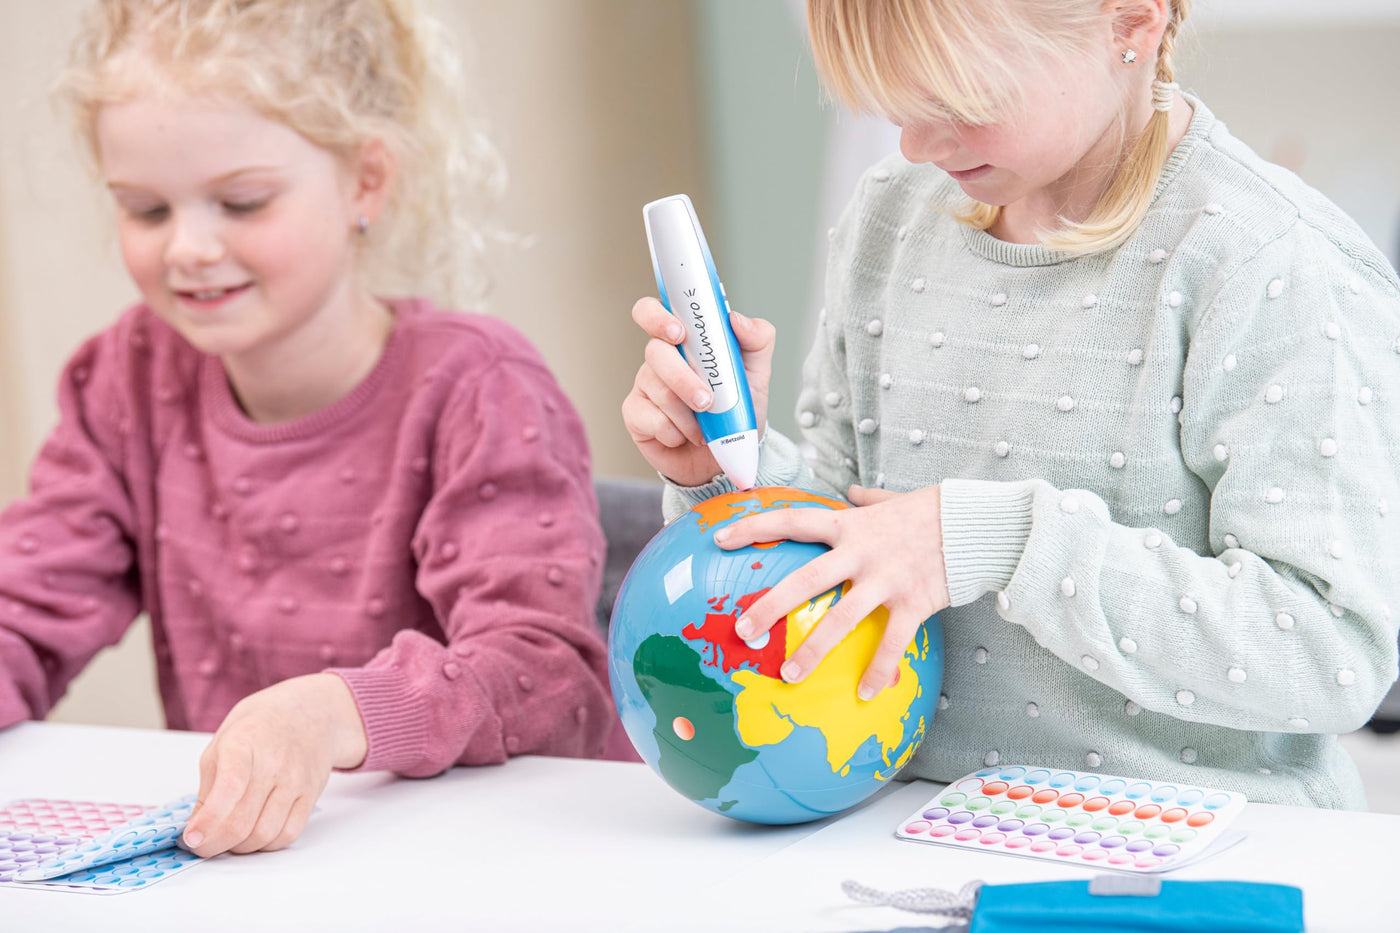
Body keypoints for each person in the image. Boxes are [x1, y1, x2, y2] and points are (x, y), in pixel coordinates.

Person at [622, 0, 1400, 808]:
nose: (914, 145)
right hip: (910, 831)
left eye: (960, 104)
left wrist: (1005, 541)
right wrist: (728, 477)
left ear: (1130, 25)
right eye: (893, 103)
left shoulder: (1270, 263)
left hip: (1191, 855)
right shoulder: (894, 215)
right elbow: (854, 540)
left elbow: (1328, 653)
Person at [0, 0, 614, 856]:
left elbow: (547, 674)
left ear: (365, 180)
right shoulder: (126, 379)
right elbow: (22, 612)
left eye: (241, 202)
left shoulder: (477, 386)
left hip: (493, 860)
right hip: (270, 870)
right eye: (146, 210)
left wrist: (335, 712)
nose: (188, 249)